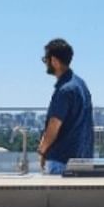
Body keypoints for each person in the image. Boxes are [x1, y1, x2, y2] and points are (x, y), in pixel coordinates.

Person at [34, 38, 93, 175]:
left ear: (54, 61)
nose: (45, 63)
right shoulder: (81, 85)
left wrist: (42, 151)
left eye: (45, 59)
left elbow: (54, 125)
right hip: (83, 159)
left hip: (62, 161)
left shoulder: (65, 90)